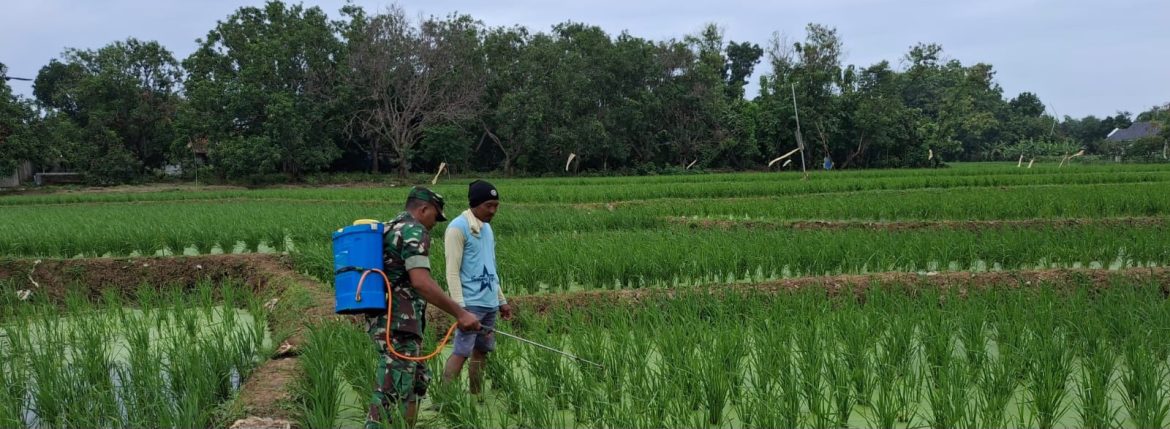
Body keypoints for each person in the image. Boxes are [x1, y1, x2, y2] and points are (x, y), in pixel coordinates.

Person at [367, 186, 481, 429]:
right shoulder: (414, 230)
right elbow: (421, 281)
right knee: (390, 391)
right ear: (423, 209)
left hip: (389, 321)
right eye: (435, 216)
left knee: (417, 382)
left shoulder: (390, 227)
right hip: (398, 324)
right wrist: (460, 313)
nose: (435, 224)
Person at [441, 180, 514, 396]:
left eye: (496, 205)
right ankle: (443, 398)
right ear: (475, 204)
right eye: (488, 205)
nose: (493, 210)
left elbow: (490, 267)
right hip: (471, 305)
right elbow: (451, 272)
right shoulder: (457, 228)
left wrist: (501, 301)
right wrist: (461, 310)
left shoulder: (487, 229)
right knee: (461, 352)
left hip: (489, 303)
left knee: (481, 352)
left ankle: (476, 395)